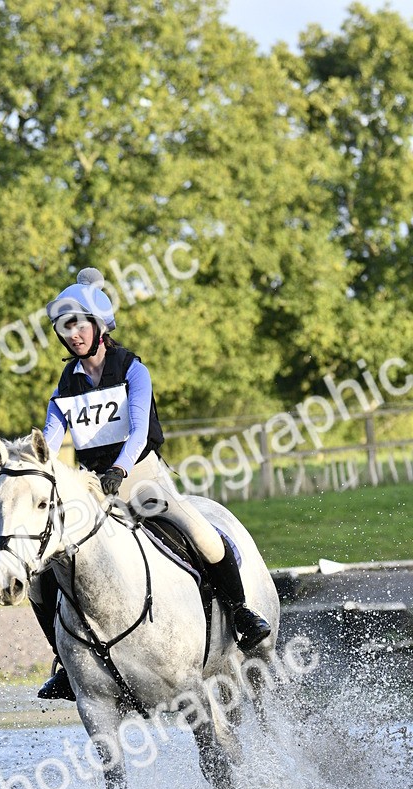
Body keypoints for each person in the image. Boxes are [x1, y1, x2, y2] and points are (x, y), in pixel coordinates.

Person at [32, 267, 271, 700]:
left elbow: (139, 431)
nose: (73, 334)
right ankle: (66, 662)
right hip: (91, 491)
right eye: (65, 327)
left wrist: (120, 471)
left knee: (203, 535)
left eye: (79, 324)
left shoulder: (132, 369)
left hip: (141, 479)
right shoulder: (65, 384)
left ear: (99, 326)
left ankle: (240, 615)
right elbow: (50, 439)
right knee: (41, 575)